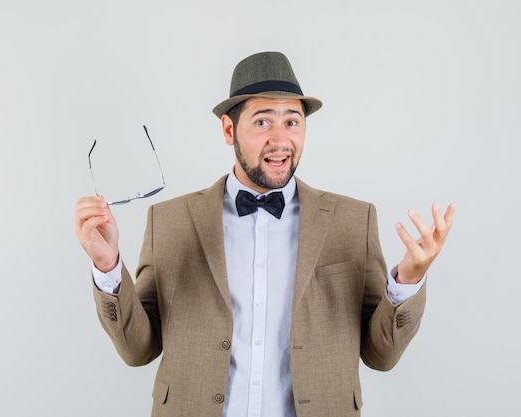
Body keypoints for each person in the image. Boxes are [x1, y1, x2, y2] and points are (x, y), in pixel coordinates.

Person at [75, 51, 455, 417]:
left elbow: (381, 355)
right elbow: (138, 349)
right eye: (262, 122)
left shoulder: (354, 221)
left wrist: (409, 279)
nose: (280, 139)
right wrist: (107, 265)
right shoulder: (169, 221)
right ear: (229, 129)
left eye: (292, 121)